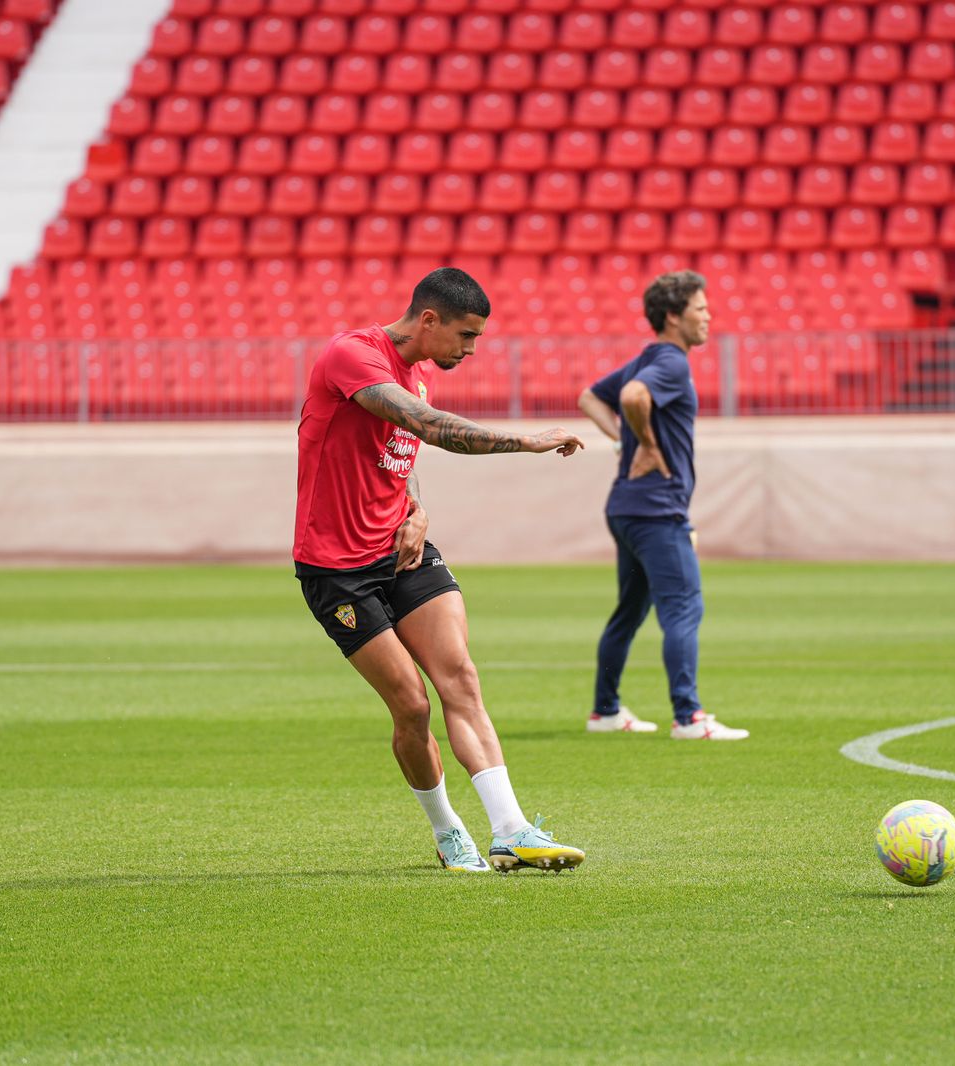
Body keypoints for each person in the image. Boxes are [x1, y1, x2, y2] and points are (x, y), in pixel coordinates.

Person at [293, 267, 589, 873]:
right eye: (466, 335)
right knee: (413, 707)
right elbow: (432, 429)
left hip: (401, 548)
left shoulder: (421, 373)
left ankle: (511, 829)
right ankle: (448, 828)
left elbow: (402, 452)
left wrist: (417, 508)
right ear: (428, 320)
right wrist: (525, 443)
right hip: (338, 568)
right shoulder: (352, 355)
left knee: (461, 677)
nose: (471, 349)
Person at [576, 271, 749, 740]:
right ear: (673, 316)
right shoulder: (670, 362)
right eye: (700, 308)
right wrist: (646, 445)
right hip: (656, 510)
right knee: (683, 607)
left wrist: (621, 444)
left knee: (629, 612)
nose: (708, 317)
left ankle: (605, 711)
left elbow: (590, 397)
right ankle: (688, 717)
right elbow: (632, 398)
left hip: (626, 508)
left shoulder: (643, 360)